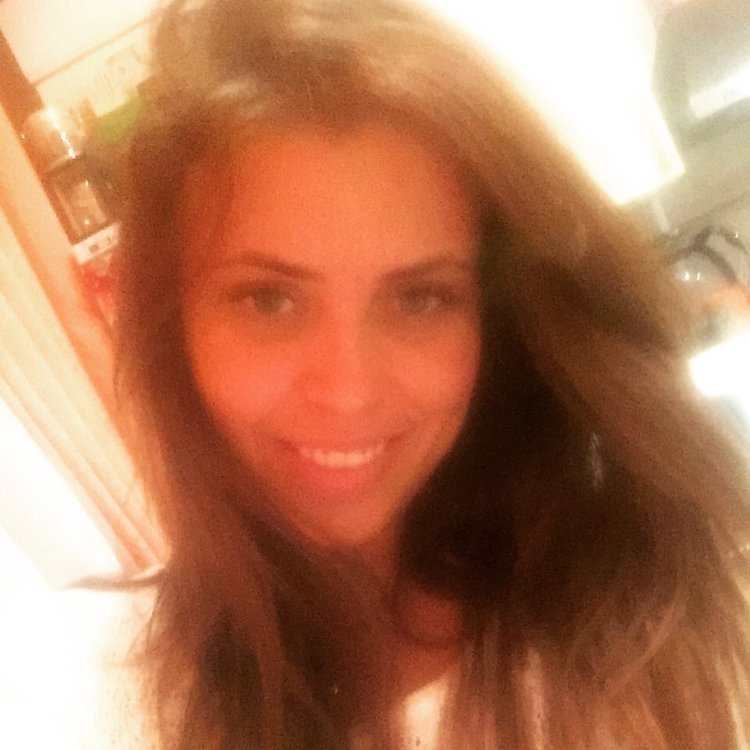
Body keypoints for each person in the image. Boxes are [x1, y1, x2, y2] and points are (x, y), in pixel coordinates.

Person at [58, 0, 750, 747]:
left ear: (497, 318)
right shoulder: (92, 692)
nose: (348, 390)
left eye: (420, 298)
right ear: (173, 326)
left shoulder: (664, 606)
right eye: (268, 299)